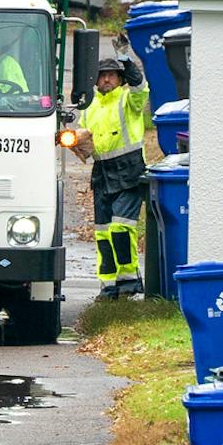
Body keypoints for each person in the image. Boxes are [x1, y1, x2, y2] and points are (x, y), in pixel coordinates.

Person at [80, 55, 149, 295]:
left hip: (129, 170)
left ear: (120, 79)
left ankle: (129, 282)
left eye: (112, 74)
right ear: (96, 80)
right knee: (102, 232)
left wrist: (129, 63)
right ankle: (108, 285)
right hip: (102, 172)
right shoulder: (91, 106)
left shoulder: (128, 99)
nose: (107, 78)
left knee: (121, 228)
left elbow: (140, 88)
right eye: (102, 75)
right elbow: (83, 135)